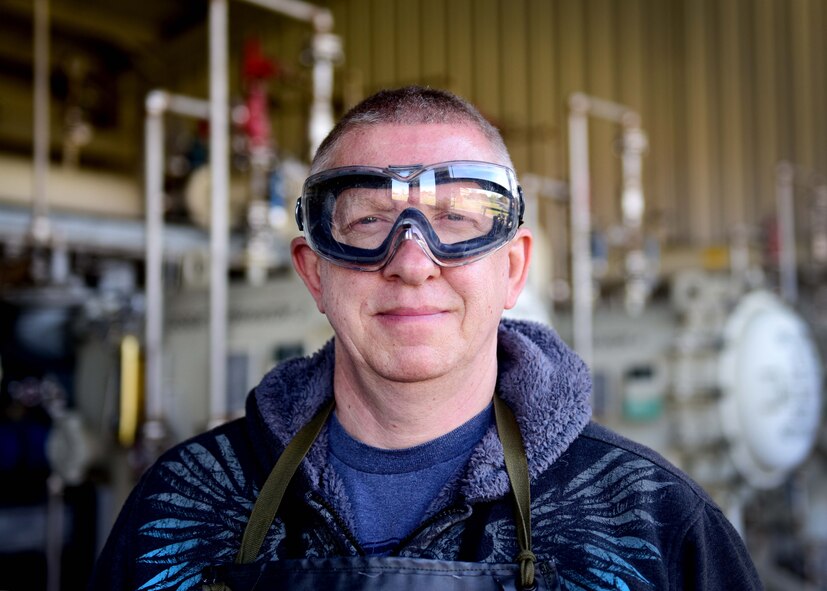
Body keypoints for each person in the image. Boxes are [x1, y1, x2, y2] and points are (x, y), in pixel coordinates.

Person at [90, 86, 762, 590]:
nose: (412, 261)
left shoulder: (657, 525)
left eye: (458, 219)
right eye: (366, 220)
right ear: (312, 272)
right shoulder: (178, 507)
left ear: (513, 268)